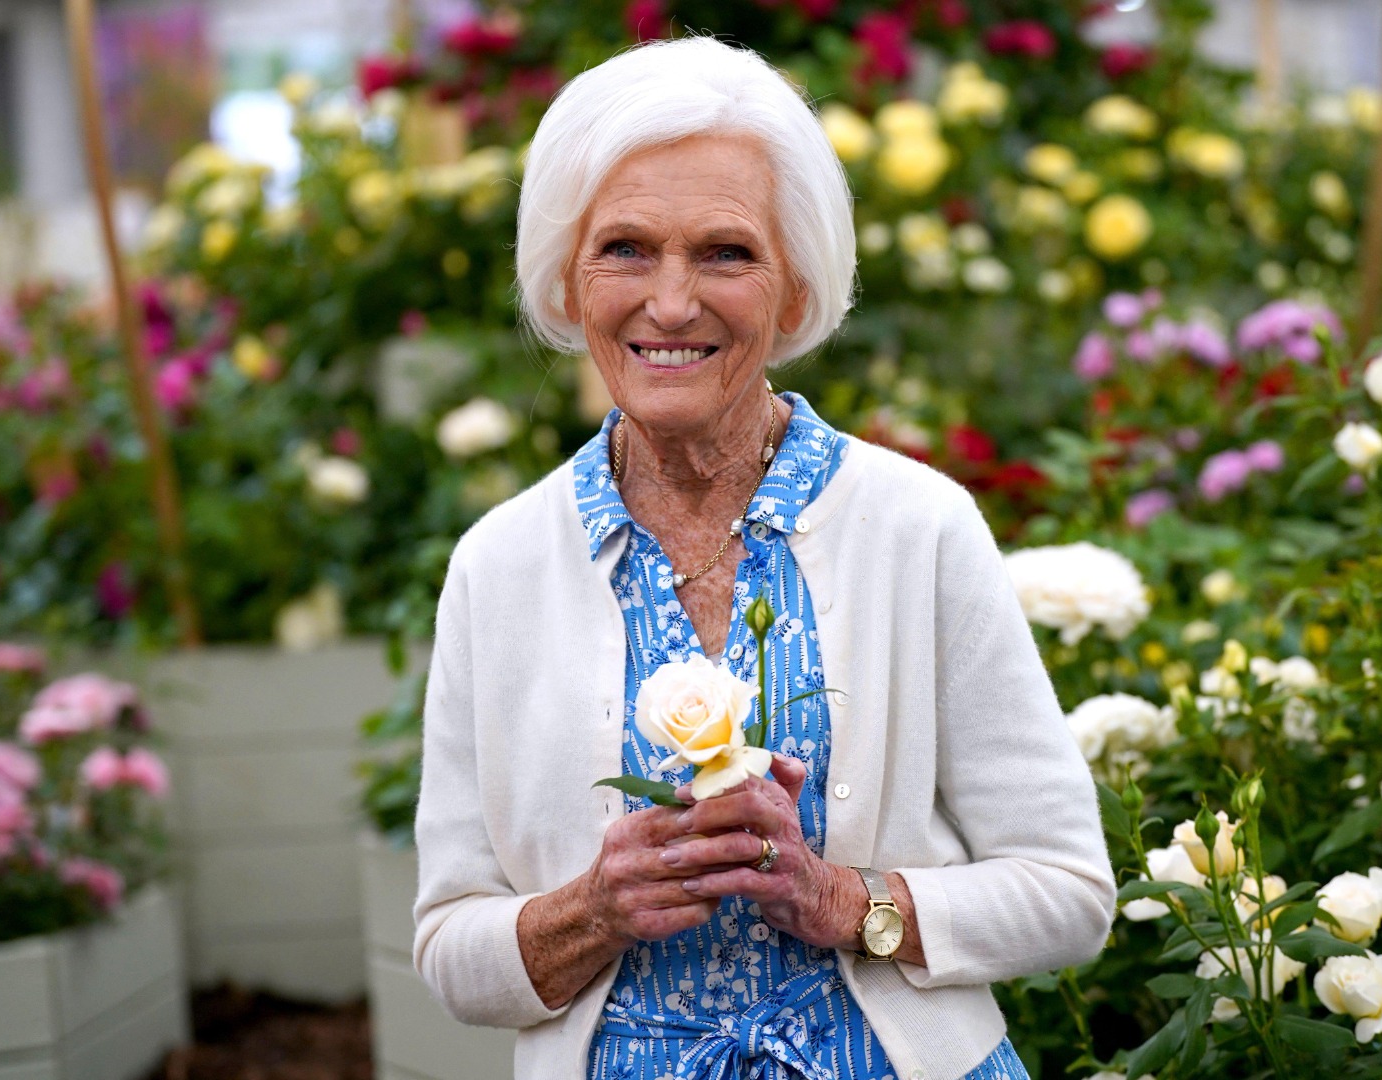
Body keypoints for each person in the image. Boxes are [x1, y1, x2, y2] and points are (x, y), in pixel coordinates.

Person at [412, 35, 1115, 1080]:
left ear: (794, 293)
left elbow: (1069, 893)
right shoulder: (500, 565)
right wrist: (594, 910)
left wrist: (845, 902)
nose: (671, 301)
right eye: (626, 249)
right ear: (568, 280)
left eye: (726, 253)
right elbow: (447, 947)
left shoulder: (918, 528)